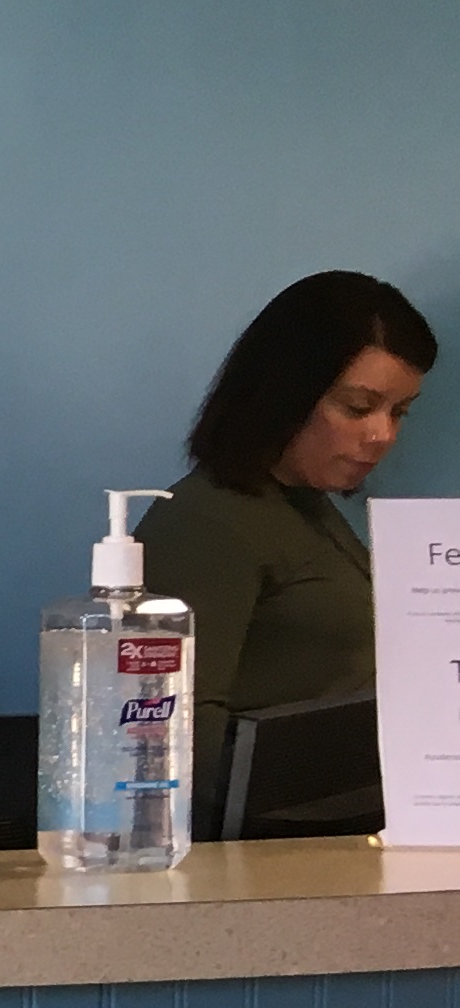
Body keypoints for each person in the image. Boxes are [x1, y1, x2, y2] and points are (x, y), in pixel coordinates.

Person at [135, 271, 435, 801]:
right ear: (286, 394)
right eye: (358, 407)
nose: (382, 435)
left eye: (399, 412)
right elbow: (170, 742)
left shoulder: (305, 509)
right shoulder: (206, 525)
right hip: (267, 854)